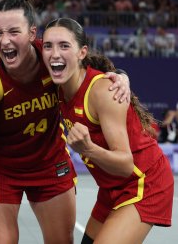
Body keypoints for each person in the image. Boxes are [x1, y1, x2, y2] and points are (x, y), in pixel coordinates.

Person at [0, 0, 130, 244]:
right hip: (1, 169)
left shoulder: (51, 55)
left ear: (32, 34)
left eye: (13, 32)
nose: (5, 41)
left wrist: (121, 75)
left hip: (49, 163)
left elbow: (93, 68)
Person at [41, 17, 174, 243]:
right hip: (111, 188)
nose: (54, 53)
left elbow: (125, 164)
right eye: (48, 46)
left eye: (64, 46)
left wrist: (88, 149)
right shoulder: (57, 87)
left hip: (143, 182)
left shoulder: (101, 91)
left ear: (82, 52)